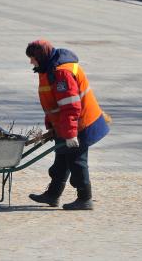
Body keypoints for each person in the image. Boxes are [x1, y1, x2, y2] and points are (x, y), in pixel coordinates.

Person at [25, 39, 109, 210]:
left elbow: (70, 106)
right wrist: (52, 126)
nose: (31, 62)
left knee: (77, 161)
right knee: (62, 158)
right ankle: (53, 195)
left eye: (33, 58)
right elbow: (52, 103)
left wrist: (70, 134)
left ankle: (85, 198)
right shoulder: (48, 69)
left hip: (81, 124)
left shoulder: (61, 73)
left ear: (41, 56)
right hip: (67, 124)